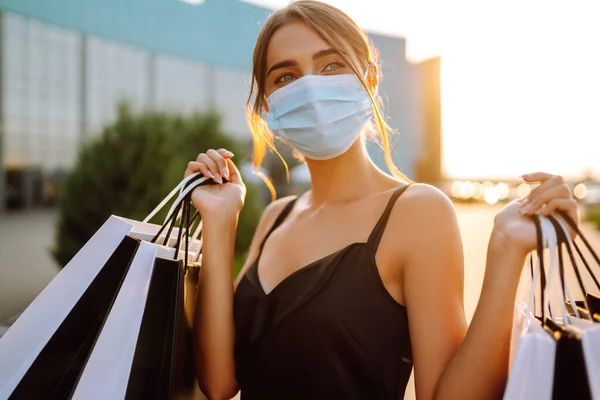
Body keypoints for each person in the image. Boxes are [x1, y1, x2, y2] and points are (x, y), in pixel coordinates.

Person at [185, 1, 579, 399]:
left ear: (369, 79)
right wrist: (219, 221)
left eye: (331, 65)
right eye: (286, 76)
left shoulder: (417, 211)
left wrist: (506, 251)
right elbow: (219, 384)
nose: (310, 87)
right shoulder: (275, 216)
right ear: (268, 105)